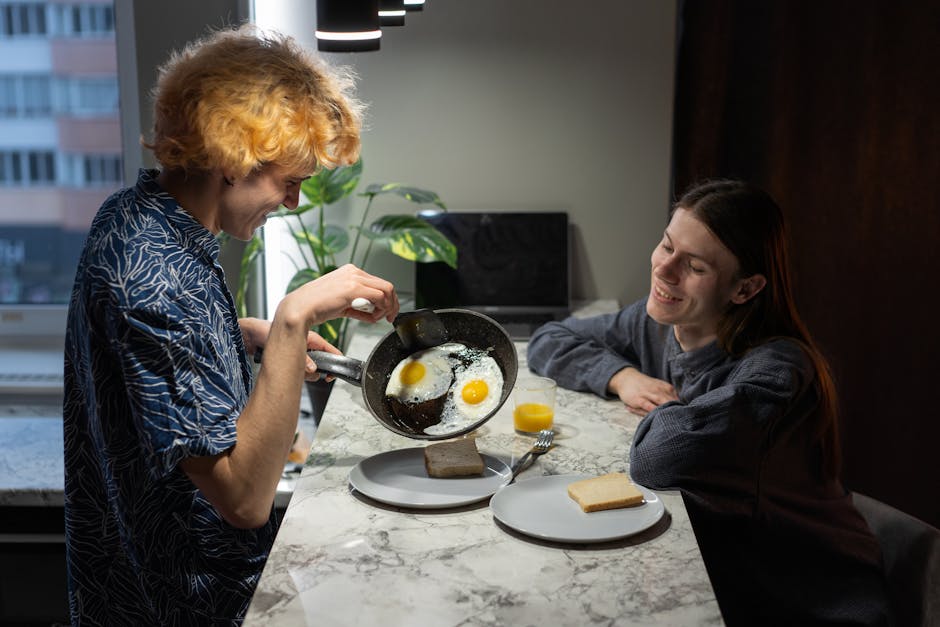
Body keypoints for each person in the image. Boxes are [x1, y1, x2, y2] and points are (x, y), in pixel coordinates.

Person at [63, 26, 399, 625]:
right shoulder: (158, 278)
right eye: (288, 182)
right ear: (230, 157)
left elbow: (154, 358)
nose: (294, 202)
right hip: (184, 600)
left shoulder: (138, 216)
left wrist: (247, 332)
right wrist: (294, 320)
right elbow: (243, 500)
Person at [527, 180, 891, 626]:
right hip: (723, 568)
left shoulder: (778, 373)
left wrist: (665, 412)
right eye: (666, 245)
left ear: (745, 289)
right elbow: (549, 338)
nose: (665, 270)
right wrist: (624, 377)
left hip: (806, 599)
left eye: (694, 266)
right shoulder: (657, 321)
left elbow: (659, 457)